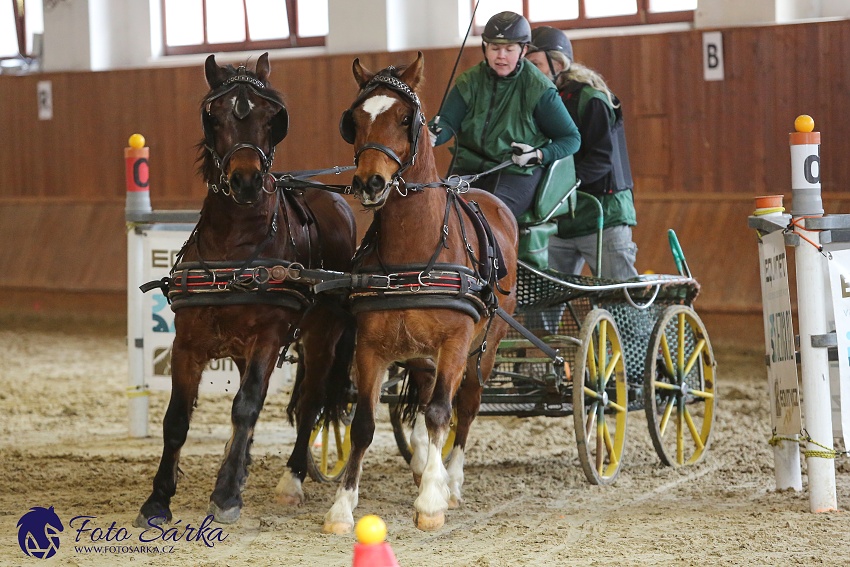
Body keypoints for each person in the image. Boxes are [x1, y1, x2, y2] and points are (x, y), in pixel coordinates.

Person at [429, 12, 580, 219]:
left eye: (509, 49)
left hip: (514, 171)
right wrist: (431, 135)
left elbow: (572, 139)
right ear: (485, 48)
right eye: (494, 48)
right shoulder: (469, 81)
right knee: (441, 217)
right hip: (468, 167)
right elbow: (446, 123)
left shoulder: (539, 88)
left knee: (484, 220)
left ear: (523, 50)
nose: (501, 55)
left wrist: (538, 155)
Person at [526, 26, 638, 280]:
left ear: (557, 63)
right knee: (541, 300)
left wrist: (560, 185)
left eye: (535, 64)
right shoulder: (538, 103)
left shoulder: (591, 99)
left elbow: (602, 159)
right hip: (560, 219)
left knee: (619, 300)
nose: (529, 73)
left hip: (604, 216)